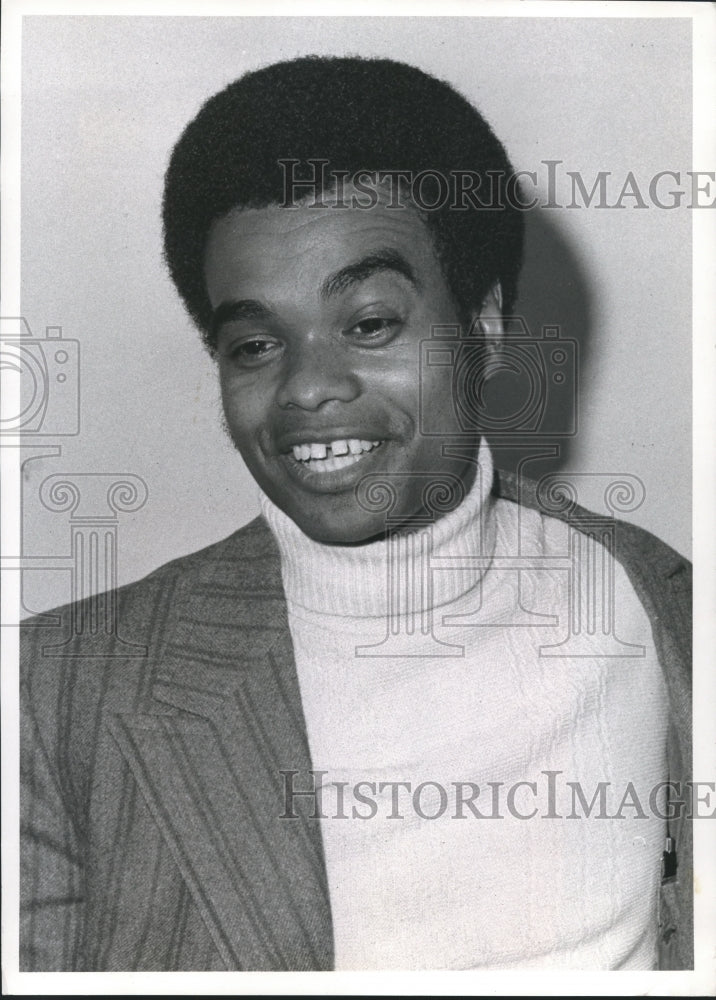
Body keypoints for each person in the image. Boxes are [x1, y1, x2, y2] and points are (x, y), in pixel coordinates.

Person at [20, 55, 692, 971]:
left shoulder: (662, 608)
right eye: (255, 344)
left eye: (370, 324)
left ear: (485, 328)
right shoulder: (55, 693)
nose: (309, 388)